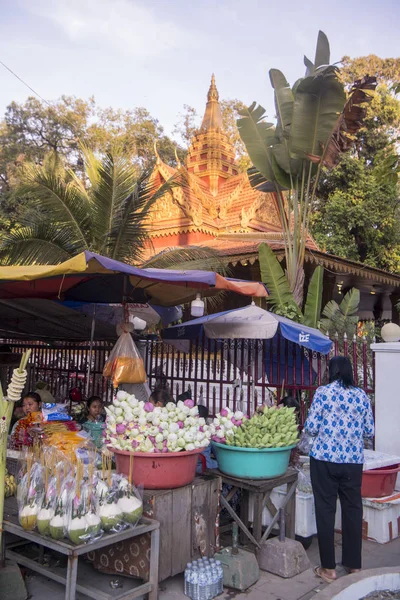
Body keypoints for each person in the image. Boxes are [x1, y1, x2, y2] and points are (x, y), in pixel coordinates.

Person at [304, 356, 374, 584]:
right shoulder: (361, 395)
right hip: (352, 461)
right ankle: (354, 564)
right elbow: (369, 431)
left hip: (324, 459)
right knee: (353, 510)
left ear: (332, 371)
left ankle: (328, 569)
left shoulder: (323, 393)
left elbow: (311, 428)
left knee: (325, 510)